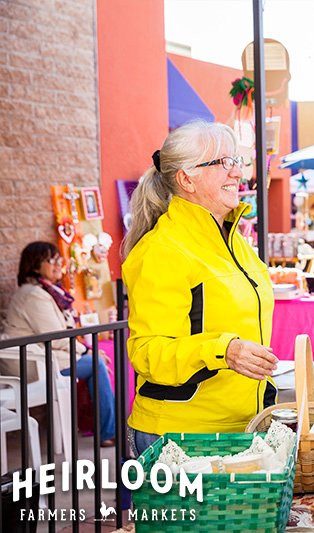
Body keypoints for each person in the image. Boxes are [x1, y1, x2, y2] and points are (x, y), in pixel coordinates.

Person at [122, 121, 279, 457]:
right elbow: (148, 353)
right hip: (180, 438)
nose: (237, 172)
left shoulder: (236, 242)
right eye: (222, 162)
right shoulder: (162, 249)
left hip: (239, 430)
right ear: (186, 179)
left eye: (236, 160)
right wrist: (224, 351)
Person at [2, 241, 116, 446]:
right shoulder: (34, 295)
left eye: (58, 259)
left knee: (95, 361)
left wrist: (86, 352)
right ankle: (108, 432)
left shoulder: (45, 291)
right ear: (35, 266)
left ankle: (107, 429)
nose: (57, 265)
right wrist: (87, 352)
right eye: (51, 260)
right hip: (31, 365)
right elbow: (58, 338)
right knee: (96, 364)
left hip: (42, 357)